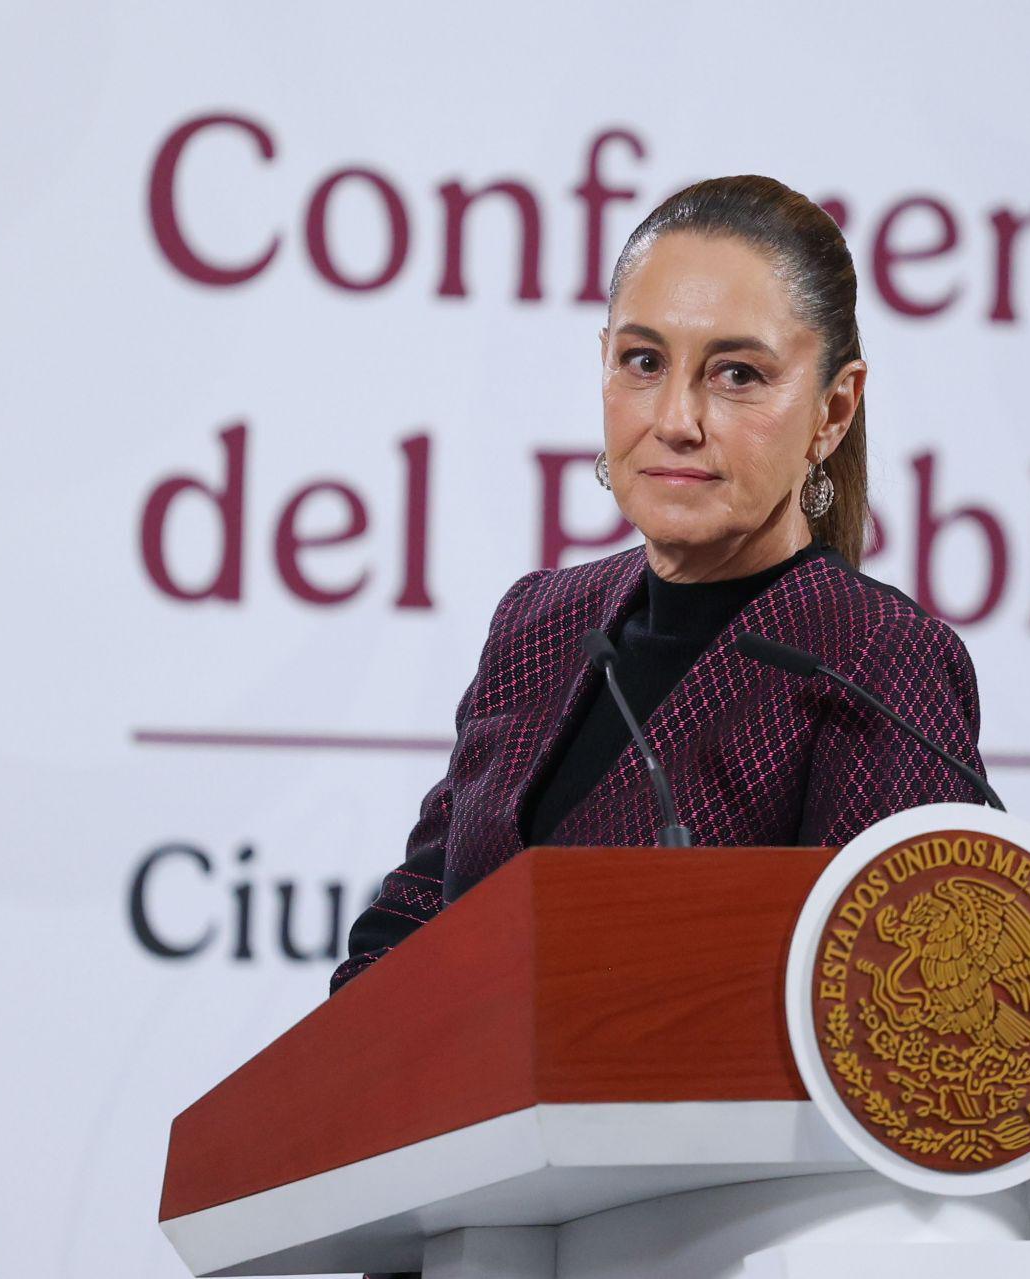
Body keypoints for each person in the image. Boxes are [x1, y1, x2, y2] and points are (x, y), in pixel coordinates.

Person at [329, 174, 991, 998]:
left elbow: (894, 1006)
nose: (675, 419)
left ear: (833, 411)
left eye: (737, 374)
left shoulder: (875, 660)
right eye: (643, 362)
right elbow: (409, 923)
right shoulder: (541, 623)